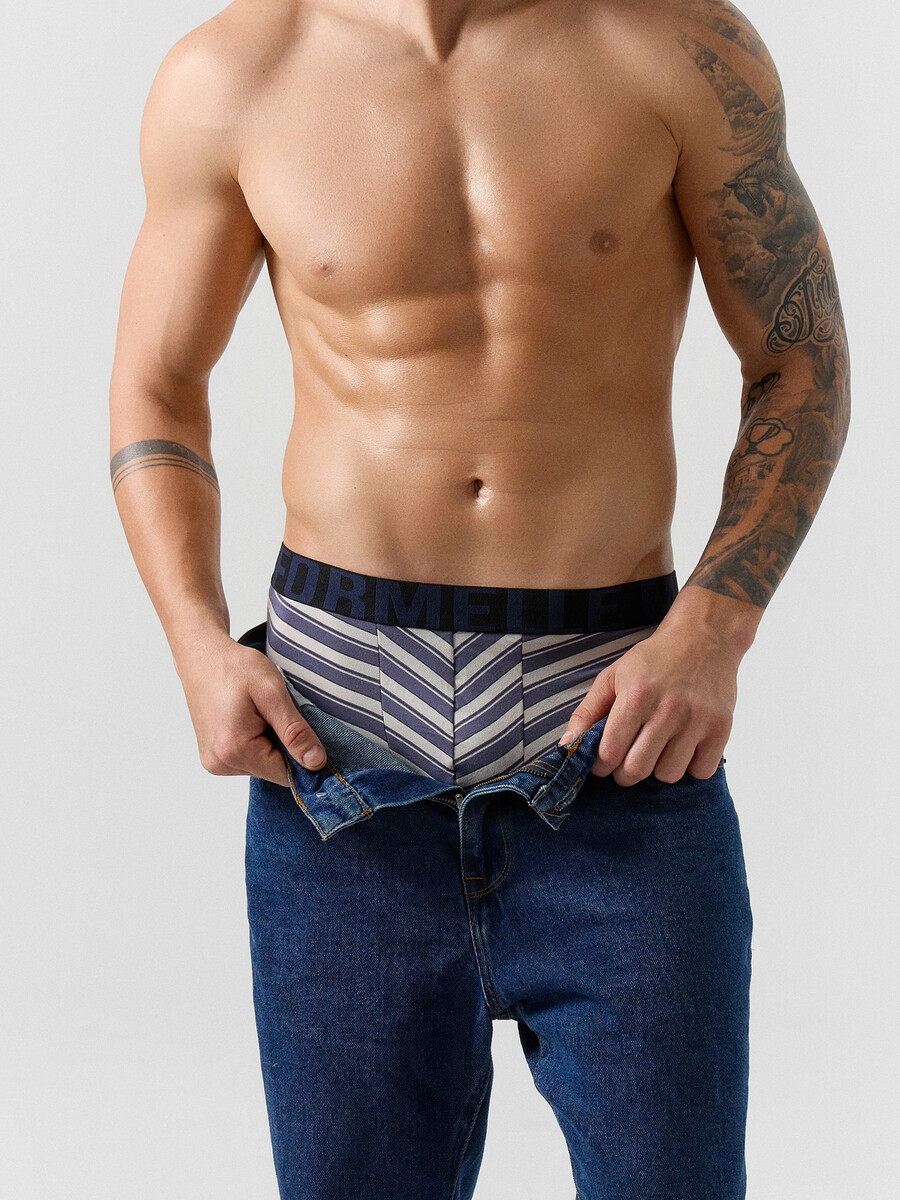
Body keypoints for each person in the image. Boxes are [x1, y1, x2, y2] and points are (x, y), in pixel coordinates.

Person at [108, 0, 850, 1196]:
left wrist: (717, 625)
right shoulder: (235, 72)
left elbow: (801, 357)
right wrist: (197, 643)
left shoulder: (677, 43)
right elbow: (156, 385)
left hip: (618, 742)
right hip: (338, 760)